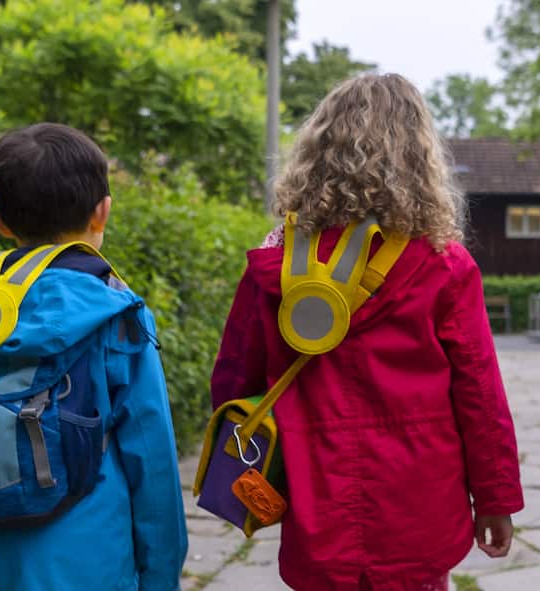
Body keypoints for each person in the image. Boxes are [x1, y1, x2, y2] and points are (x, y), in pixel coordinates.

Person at [211, 73, 524, 591]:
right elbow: (480, 395)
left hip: (317, 500)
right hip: (419, 505)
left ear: (317, 153)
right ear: (419, 159)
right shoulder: (444, 264)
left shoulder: (278, 262)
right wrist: (495, 498)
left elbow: (232, 383)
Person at [0, 123, 188, 590]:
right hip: (91, 562)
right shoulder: (111, 309)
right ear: (102, 212)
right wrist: (161, 577)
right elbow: (153, 461)